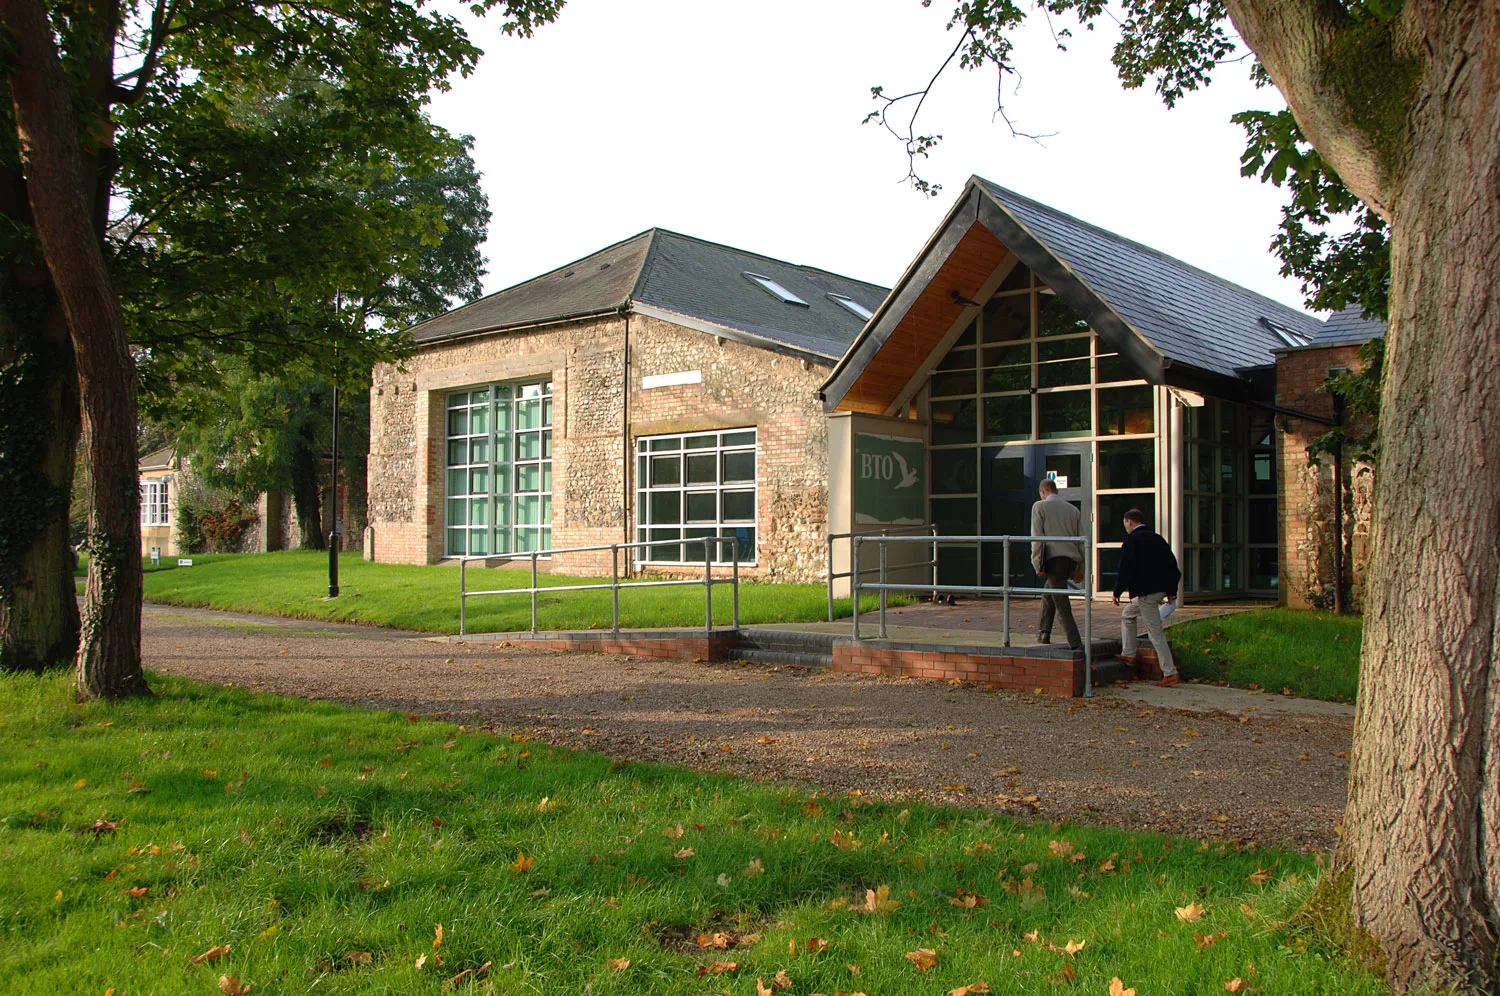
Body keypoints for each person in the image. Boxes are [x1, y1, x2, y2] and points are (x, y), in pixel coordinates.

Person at [1112, 508, 1182, 687]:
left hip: (1145, 593)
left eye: (1125, 524)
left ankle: (1170, 672)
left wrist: (1117, 591)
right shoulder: (1158, 538)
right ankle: (1128, 653)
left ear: (1130, 522)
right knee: (1128, 614)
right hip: (1160, 589)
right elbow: (1173, 566)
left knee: (1155, 632)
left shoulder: (1132, 540)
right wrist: (1171, 590)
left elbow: (1126, 568)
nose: (1125, 528)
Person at [1030, 478, 1083, 650]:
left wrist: (1037, 562)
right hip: (1069, 560)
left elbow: (1037, 537)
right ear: (1057, 491)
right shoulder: (1073, 510)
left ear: (1042, 492)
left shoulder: (1039, 506)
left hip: (1053, 559)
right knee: (1049, 593)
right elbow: (1081, 540)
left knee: (1061, 601)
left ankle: (1075, 643)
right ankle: (1044, 632)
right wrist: (1082, 567)